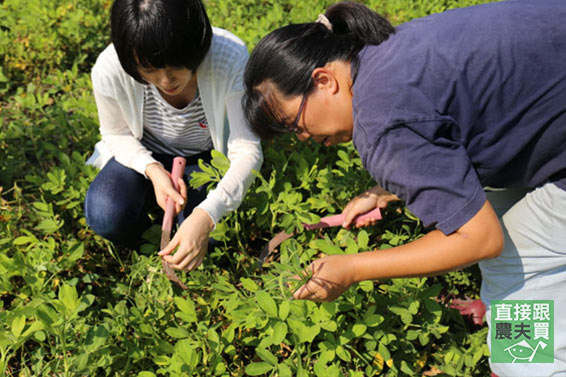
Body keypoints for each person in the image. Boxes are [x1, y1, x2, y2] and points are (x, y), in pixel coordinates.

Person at [242, 1, 566, 375]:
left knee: (512, 252)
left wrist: (351, 268)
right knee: (507, 226)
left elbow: (480, 239)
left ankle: (530, 367)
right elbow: (438, 117)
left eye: (294, 124)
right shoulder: (380, 51)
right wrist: (390, 186)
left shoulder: (381, 126)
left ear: (323, 81)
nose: (302, 138)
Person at [85, 0, 262, 272]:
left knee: (209, 240)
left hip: (205, 157)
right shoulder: (111, 68)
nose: (166, 80)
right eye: (149, 69)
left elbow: (247, 149)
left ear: (197, 40)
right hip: (143, 152)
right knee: (104, 213)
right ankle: (153, 239)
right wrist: (153, 171)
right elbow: (115, 134)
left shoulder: (229, 57)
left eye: (176, 65)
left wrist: (206, 215)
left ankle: (185, 231)